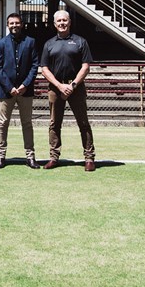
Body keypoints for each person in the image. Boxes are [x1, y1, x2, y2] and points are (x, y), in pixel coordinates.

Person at [39, 10, 96, 172]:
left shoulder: (80, 42)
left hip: (75, 88)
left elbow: (86, 67)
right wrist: (59, 86)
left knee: (83, 123)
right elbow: (44, 69)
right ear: (54, 24)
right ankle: (54, 157)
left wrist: (73, 85)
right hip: (55, 89)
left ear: (70, 22)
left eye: (65, 20)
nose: (62, 23)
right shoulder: (49, 44)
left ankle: (89, 158)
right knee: (54, 124)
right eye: (59, 21)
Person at [0, 12, 40, 169]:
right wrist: (10, 87)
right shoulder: (0, 43)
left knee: (27, 123)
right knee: (3, 123)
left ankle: (30, 156)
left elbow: (35, 66)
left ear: (22, 24)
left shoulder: (31, 42)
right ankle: (1, 156)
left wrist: (25, 85)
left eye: (17, 23)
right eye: (11, 23)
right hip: (6, 91)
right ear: (7, 25)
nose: (14, 25)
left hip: (25, 91)